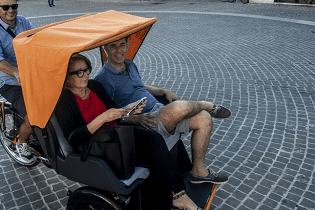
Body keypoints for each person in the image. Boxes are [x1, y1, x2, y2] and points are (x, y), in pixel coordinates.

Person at [55, 54, 208, 210]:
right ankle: (169, 203)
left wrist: (128, 111)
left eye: (86, 70)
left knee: (154, 139)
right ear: (66, 77)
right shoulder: (63, 101)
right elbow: (74, 137)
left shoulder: (95, 86)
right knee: (153, 156)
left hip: (117, 133)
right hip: (96, 145)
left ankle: (176, 197)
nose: (85, 75)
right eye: (78, 72)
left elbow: (112, 108)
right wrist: (103, 118)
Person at [95, 37, 230, 185]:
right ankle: (209, 106)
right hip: (146, 123)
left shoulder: (129, 64)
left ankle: (198, 172)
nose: (119, 50)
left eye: (122, 45)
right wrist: (135, 119)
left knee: (204, 119)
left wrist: (163, 91)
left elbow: (139, 86)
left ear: (128, 45)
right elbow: (109, 114)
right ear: (104, 49)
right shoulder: (103, 79)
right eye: (113, 46)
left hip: (161, 111)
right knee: (181, 107)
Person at [0, 0, 36, 164]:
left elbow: (37, 42)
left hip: (31, 76)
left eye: (13, 6)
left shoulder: (24, 22)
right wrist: (15, 71)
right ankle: (21, 143)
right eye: (5, 7)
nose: (10, 10)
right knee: (33, 115)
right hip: (10, 82)